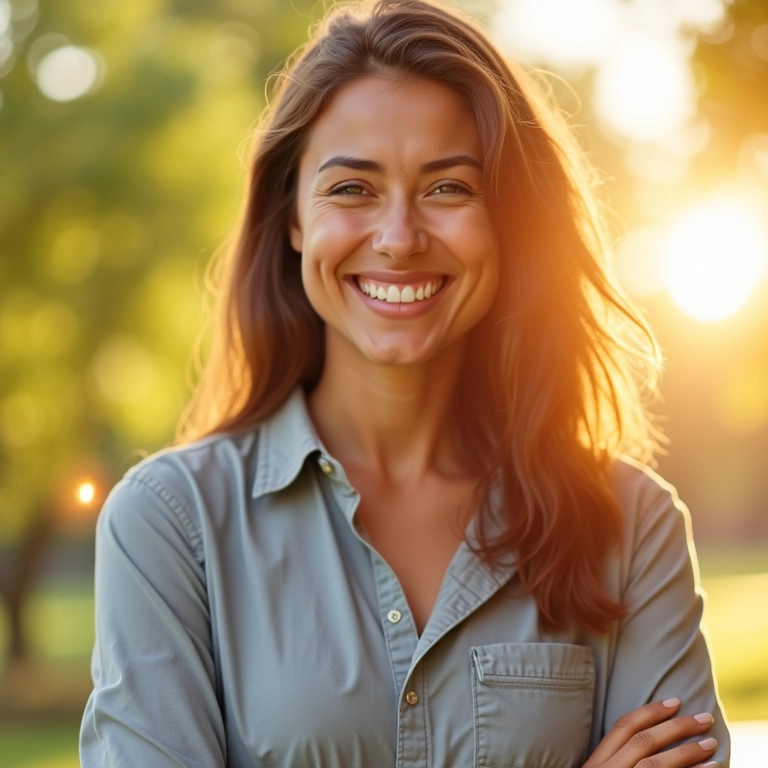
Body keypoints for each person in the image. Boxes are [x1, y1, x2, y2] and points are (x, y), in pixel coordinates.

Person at [80, 0, 730, 766]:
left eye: (448, 188)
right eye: (352, 189)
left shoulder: (631, 526)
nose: (398, 238)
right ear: (292, 218)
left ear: (509, 219)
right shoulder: (171, 528)